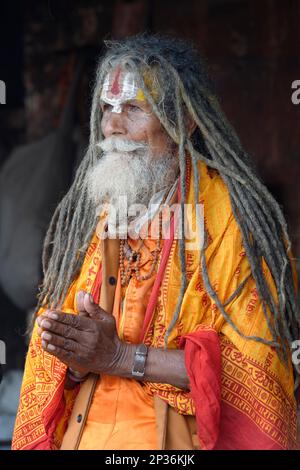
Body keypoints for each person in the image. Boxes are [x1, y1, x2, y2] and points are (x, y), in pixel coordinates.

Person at [12, 34, 299, 450]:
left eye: (133, 108)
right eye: (107, 108)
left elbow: (254, 371)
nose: (113, 125)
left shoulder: (233, 222)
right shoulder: (102, 216)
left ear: (184, 121)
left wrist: (120, 358)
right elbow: (60, 356)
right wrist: (73, 359)